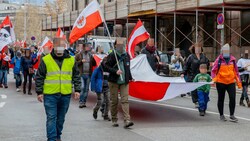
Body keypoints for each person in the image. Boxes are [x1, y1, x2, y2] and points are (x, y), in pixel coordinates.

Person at [35, 37, 81, 141]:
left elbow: (76, 76)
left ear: (65, 46)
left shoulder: (71, 59)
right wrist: (39, 92)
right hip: (50, 94)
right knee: (51, 118)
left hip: (65, 94)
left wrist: (77, 90)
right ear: (54, 46)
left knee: (61, 119)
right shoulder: (46, 60)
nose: (60, 48)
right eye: (58, 46)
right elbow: (39, 76)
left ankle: (57, 136)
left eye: (62, 46)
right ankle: (52, 139)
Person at [104, 38, 134, 128]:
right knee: (114, 101)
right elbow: (105, 66)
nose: (121, 46)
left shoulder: (126, 55)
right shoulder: (112, 55)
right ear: (116, 45)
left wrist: (130, 77)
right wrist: (115, 71)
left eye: (122, 44)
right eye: (119, 44)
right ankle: (114, 119)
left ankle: (127, 120)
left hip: (124, 81)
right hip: (114, 81)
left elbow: (127, 68)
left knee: (125, 100)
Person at [211, 44, 242, 122]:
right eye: (224, 50)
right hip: (220, 82)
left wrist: (239, 83)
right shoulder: (218, 60)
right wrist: (214, 80)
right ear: (222, 51)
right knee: (221, 99)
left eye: (227, 50)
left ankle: (232, 115)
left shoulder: (233, 60)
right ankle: (221, 115)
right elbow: (213, 71)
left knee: (232, 98)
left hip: (231, 82)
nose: (226, 52)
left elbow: (236, 72)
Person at [182, 43, 210, 108]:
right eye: (196, 48)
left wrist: (205, 71)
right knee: (194, 90)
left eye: (199, 48)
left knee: (203, 89)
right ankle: (196, 101)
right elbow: (186, 65)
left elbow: (207, 64)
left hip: (202, 76)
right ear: (194, 49)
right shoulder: (191, 57)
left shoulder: (203, 56)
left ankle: (204, 99)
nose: (198, 50)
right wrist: (183, 73)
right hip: (193, 75)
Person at [75, 43, 96, 108]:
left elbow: (94, 64)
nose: (89, 48)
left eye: (89, 47)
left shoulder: (90, 55)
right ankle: (81, 101)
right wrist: (81, 61)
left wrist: (93, 57)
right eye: (88, 47)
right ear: (84, 47)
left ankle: (84, 102)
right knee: (82, 87)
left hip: (88, 74)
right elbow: (75, 64)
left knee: (86, 89)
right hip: (81, 74)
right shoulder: (79, 55)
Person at [91, 57, 111, 121]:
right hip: (99, 88)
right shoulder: (98, 69)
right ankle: (95, 110)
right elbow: (93, 78)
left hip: (107, 87)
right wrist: (93, 87)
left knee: (108, 101)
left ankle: (106, 115)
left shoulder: (109, 69)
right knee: (100, 101)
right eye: (105, 62)